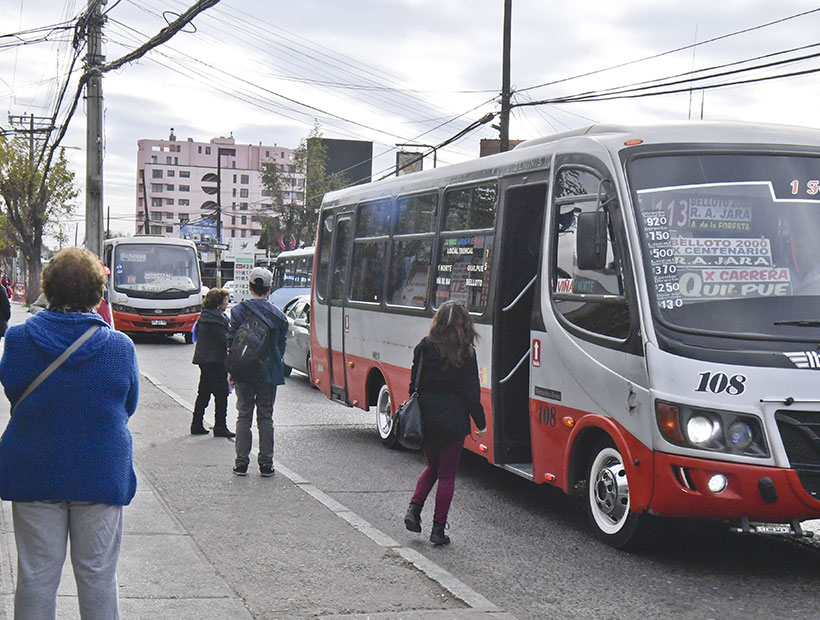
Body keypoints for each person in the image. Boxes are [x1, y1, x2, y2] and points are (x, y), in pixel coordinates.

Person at [0, 247, 139, 620]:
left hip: (34, 469)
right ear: (98, 291)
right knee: (97, 577)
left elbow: (13, 389)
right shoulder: (119, 348)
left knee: (35, 577)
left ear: (48, 288)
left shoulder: (17, 341)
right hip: (99, 472)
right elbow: (128, 404)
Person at [404, 301, 487, 546]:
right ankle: (438, 529)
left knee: (432, 467)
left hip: (427, 418)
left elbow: (413, 385)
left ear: (438, 322)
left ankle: (414, 509)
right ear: (465, 325)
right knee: (447, 474)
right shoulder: (466, 353)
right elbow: (472, 394)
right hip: (453, 420)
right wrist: (480, 423)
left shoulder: (423, 347)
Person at [227, 266, 288, 477]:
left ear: (251, 286)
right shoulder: (279, 317)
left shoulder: (238, 311)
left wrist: (232, 370)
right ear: (270, 288)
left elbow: (231, 342)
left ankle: (241, 463)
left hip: (243, 371)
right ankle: (266, 464)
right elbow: (281, 348)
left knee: (243, 415)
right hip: (268, 373)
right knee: (266, 417)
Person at [191, 288, 235, 437]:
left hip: (204, 359)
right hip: (216, 361)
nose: (227, 303)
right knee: (221, 393)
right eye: (225, 300)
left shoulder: (204, 316)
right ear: (218, 303)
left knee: (203, 392)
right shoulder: (217, 320)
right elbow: (224, 341)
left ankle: (196, 423)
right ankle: (220, 426)